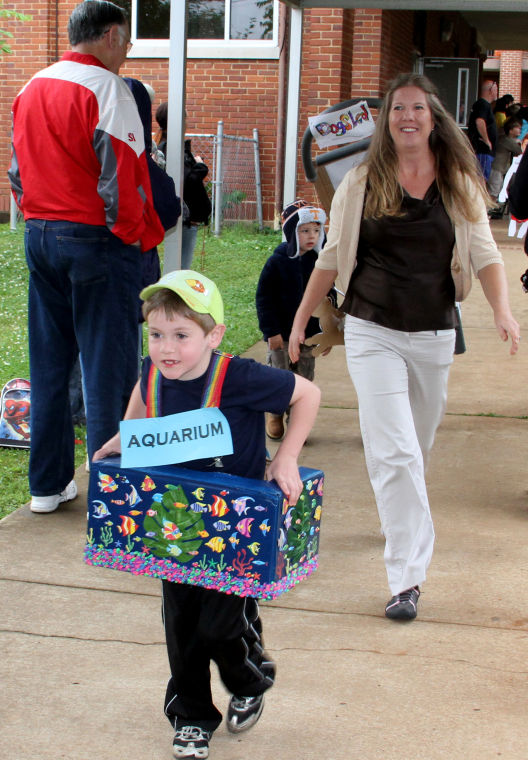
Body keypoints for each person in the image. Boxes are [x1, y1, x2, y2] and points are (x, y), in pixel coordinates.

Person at [289, 72, 520, 622]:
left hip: (434, 331)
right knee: (395, 453)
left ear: (433, 118)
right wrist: (299, 319)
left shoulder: (458, 181)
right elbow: (331, 256)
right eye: (397, 109)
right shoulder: (363, 181)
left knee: (414, 447)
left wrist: (503, 310)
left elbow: (485, 254)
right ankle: (406, 579)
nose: (407, 117)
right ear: (386, 121)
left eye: (417, 108)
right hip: (372, 329)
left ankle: (400, 521)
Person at [93, 269, 321, 759]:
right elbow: (143, 392)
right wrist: (125, 436)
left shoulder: (238, 376)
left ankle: (249, 679)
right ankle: (192, 716)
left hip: (234, 528)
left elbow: (307, 394)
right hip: (174, 521)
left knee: (219, 626)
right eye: (156, 334)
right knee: (181, 626)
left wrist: (286, 457)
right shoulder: (155, 369)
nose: (166, 348)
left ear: (213, 335)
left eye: (182, 335)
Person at [7, 0, 165, 513]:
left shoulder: (31, 87)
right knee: (108, 367)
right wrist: (133, 238)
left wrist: (38, 217)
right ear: (112, 35)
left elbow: (17, 172)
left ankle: (46, 486)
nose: (128, 51)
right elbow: (124, 176)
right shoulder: (108, 88)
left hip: (40, 233)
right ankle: (113, 492)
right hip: (96, 239)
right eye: (128, 40)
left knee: (49, 362)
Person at [256, 199, 327, 440]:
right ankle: (274, 414)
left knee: (304, 378)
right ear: (291, 233)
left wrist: (326, 333)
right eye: (305, 230)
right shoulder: (277, 263)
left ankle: (297, 422)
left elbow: (327, 300)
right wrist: (271, 332)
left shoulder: (321, 264)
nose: (311, 236)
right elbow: (264, 299)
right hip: (282, 336)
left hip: (309, 337)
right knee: (279, 375)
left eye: (316, 230)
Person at [155, 102, 212, 269]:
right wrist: (200, 166)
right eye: (185, 118)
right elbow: (187, 181)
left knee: (179, 267)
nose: (187, 122)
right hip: (184, 220)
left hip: (185, 220)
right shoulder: (171, 148)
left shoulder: (169, 146)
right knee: (180, 269)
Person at [467, 79, 498, 183]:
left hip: (482, 150)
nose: (496, 93)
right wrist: (486, 140)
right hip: (482, 150)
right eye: (496, 90)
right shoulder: (483, 104)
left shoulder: (482, 105)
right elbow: (480, 121)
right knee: (481, 180)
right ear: (491, 90)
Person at [487, 117, 522, 201]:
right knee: (494, 191)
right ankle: (489, 207)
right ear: (511, 130)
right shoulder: (508, 141)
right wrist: (518, 142)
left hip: (496, 169)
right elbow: (519, 151)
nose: (520, 130)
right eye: (518, 128)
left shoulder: (503, 138)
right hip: (497, 169)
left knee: (494, 190)